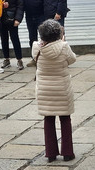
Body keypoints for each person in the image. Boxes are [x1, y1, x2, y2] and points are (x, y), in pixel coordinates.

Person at [33, 18, 77, 162]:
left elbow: (35, 58)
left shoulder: (37, 48)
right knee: (65, 118)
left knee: (48, 119)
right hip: (62, 88)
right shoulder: (64, 47)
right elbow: (72, 60)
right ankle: (67, 152)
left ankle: (51, 153)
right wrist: (62, 41)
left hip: (44, 89)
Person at [0, 0, 24, 70]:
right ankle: (6, 59)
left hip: (13, 17)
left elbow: (20, 4)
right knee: (3, 39)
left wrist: (18, 19)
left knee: (15, 39)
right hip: (1, 16)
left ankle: (19, 59)